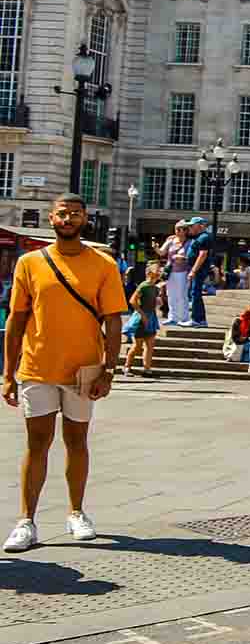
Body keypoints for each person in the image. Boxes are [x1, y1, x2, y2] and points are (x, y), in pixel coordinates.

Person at [4, 194, 127, 552]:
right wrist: (8, 373)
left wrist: (109, 369)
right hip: (37, 366)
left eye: (75, 214)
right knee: (37, 443)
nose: (69, 219)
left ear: (85, 219)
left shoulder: (103, 264)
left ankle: (76, 512)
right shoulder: (30, 262)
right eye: (63, 214)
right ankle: (26, 521)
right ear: (51, 218)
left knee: (77, 441)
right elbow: (17, 319)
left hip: (83, 369)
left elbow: (113, 320)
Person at [121, 263, 163, 376]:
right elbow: (132, 301)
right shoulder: (144, 286)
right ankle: (127, 367)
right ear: (149, 273)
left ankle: (146, 369)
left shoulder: (155, 288)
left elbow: (155, 302)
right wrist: (142, 314)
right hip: (141, 318)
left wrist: (158, 303)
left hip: (151, 317)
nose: (159, 272)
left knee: (150, 345)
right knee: (137, 346)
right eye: (157, 270)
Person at [157, 222, 191, 325]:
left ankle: (184, 318)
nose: (177, 231)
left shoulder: (190, 242)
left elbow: (191, 257)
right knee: (170, 294)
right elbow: (161, 252)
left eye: (180, 229)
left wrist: (183, 258)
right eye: (176, 229)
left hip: (183, 271)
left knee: (181, 295)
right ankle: (172, 317)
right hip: (170, 271)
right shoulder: (171, 240)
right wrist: (155, 247)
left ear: (185, 231)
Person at [183, 216, 213, 327]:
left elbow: (202, 255)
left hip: (199, 270)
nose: (190, 227)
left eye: (192, 225)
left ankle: (197, 319)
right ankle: (201, 320)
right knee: (195, 293)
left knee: (195, 293)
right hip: (198, 269)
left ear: (200, 226)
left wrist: (193, 270)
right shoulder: (199, 237)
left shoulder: (204, 237)